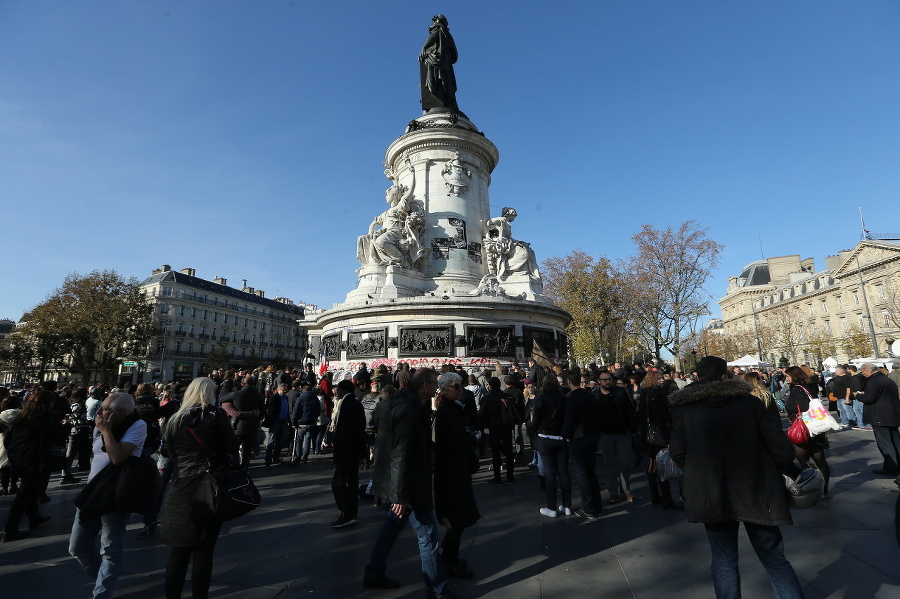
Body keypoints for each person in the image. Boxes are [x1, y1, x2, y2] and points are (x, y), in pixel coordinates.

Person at [669, 356, 805, 599]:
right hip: (756, 486)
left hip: (711, 489)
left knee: (723, 559)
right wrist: (785, 468)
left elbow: (677, 451)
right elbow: (781, 449)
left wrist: (698, 470)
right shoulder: (750, 403)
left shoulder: (685, 407)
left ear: (697, 376)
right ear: (725, 375)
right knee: (773, 556)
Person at [363, 368, 453, 599]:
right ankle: (438, 591)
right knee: (428, 535)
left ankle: (374, 572)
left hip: (396, 480)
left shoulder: (401, 404)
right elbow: (400, 454)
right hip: (408, 484)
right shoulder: (409, 409)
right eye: (435, 383)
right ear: (424, 386)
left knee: (391, 527)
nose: (437, 388)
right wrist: (400, 496)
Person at [160, 377, 238, 599]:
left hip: (180, 485)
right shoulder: (214, 415)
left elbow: (167, 452)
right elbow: (232, 445)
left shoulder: (176, 418)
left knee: (179, 551)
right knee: (204, 551)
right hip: (207, 487)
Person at [69, 392, 147, 598]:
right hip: (92, 492)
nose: (101, 412)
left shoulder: (137, 425)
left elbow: (117, 457)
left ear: (121, 412)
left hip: (115, 494)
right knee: (77, 547)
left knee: (111, 549)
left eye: (106, 409)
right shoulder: (102, 424)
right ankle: (102, 579)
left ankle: (102, 593)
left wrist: (105, 431)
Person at [433, 372, 480, 578]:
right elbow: (456, 441)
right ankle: (449, 560)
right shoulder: (448, 411)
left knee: (458, 517)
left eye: (460, 385)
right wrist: (471, 439)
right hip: (452, 472)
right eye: (456, 386)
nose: (461, 389)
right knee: (457, 517)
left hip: (455, 468)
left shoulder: (451, 408)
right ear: (445, 390)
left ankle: (449, 554)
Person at [3, 390, 65, 542]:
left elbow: (9, 436)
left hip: (17, 454)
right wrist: (66, 427)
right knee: (25, 492)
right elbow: (59, 436)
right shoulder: (51, 417)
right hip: (35, 456)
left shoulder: (22, 416)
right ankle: (11, 529)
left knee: (28, 487)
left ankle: (34, 516)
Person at [784, 366, 832, 498]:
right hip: (815, 427)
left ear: (794, 376)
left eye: (787, 376)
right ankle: (825, 490)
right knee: (820, 459)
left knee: (803, 460)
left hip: (804, 428)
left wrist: (792, 411)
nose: (786, 378)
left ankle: (813, 487)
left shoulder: (798, 389)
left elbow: (801, 407)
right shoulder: (809, 386)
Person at [528, 374, 571, 517]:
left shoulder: (541, 399)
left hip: (545, 437)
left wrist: (531, 426)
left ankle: (551, 507)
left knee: (550, 473)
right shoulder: (564, 399)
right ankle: (567, 505)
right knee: (564, 472)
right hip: (561, 438)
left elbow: (535, 421)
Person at [562, 369, 602, 518]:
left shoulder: (570, 398)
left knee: (582, 474)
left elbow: (569, 420)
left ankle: (589, 507)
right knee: (591, 472)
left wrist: (565, 435)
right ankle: (597, 505)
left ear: (569, 382)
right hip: (591, 437)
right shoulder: (591, 396)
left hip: (578, 438)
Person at [331, 379, 366, 528]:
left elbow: (346, 429)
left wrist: (336, 440)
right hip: (354, 449)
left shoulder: (348, 405)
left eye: (338, 389)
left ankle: (346, 512)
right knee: (352, 482)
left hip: (346, 450)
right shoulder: (355, 403)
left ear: (343, 390)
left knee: (338, 483)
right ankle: (351, 513)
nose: (336, 392)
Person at [597, 371, 637, 504]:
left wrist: (631, 429)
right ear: (599, 381)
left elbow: (630, 410)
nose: (607, 382)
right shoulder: (595, 395)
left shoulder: (620, 392)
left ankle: (626, 490)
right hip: (605, 434)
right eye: (604, 380)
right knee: (609, 465)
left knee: (625, 463)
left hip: (622, 433)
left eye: (609, 379)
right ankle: (612, 492)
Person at [858, 363, 900, 476]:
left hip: (880, 416)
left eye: (863, 372)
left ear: (867, 371)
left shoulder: (874, 382)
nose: (863, 374)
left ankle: (892, 468)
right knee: (895, 441)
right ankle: (894, 466)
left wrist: (858, 395)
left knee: (885, 443)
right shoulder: (887, 379)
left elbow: (869, 398)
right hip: (892, 415)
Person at [219, 375, 263, 471]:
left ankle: (234, 467)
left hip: (238, 426)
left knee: (233, 448)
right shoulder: (258, 395)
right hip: (252, 426)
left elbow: (221, 399)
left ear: (243, 384)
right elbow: (262, 411)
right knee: (247, 450)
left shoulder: (236, 394)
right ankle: (245, 468)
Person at [478, 377, 515, 484]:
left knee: (495, 453)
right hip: (506, 427)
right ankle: (510, 476)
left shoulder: (487, 398)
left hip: (494, 427)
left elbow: (481, 414)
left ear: (490, 386)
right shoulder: (506, 396)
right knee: (508, 452)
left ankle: (497, 477)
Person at [419, 14, 459, 112]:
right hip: (446, 64)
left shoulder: (438, 31)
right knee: (446, 84)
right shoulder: (446, 35)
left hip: (437, 62)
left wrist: (424, 48)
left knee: (437, 82)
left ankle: (436, 101)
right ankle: (447, 101)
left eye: (435, 21)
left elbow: (432, 38)